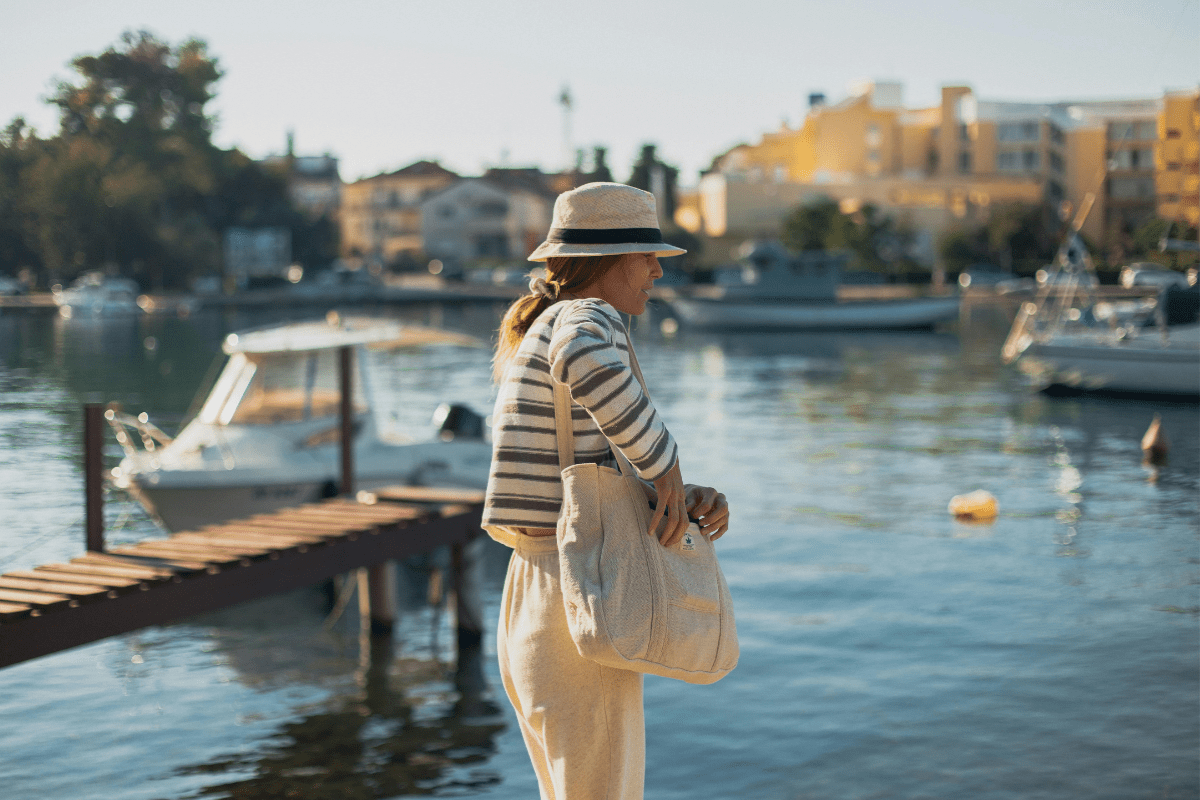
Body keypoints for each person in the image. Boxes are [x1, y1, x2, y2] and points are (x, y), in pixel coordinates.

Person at [482, 182, 730, 799]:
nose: (655, 271)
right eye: (647, 257)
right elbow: (586, 358)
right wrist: (666, 464)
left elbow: (575, 475)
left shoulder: (541, 324)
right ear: (612, 259)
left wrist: (673, 490)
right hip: (576, 598)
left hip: (534, 593)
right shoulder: (585, 317)